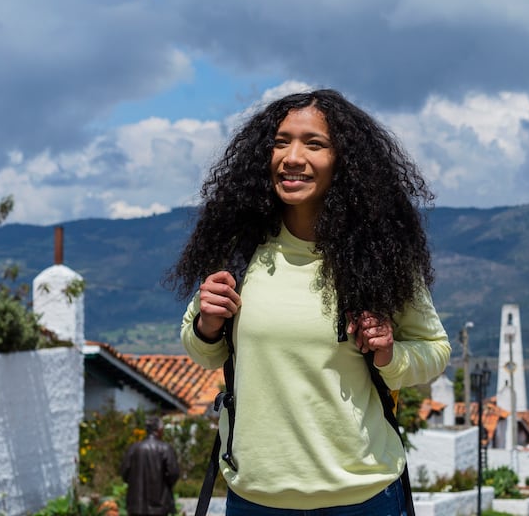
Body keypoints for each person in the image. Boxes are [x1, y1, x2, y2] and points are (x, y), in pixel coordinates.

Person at [169, 89, 451, 516]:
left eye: (313, 144)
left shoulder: (380, 257)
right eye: (281, 142)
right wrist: (207, 324)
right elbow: (203, 352)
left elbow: (435, 350)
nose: (292, 157)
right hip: (255, 498)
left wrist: (390, 354)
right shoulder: (240, 252)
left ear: (345, 162)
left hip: (362, 497)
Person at [121, 415, 180, 516]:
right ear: (159, 429)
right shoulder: (165, 448)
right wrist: (163, 484)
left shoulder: (134, 448)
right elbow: (173, 473)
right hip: (159, 505)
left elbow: (124, 473)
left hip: (136, 505)